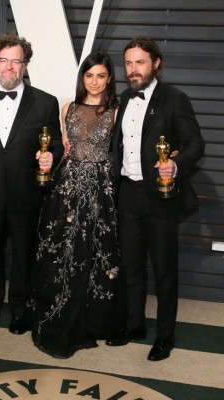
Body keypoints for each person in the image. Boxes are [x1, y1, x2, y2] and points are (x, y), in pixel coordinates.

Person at [105, 36, 205, 361]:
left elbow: (195, 144)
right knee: (131, 266)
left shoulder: (175, 99)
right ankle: (134, 324)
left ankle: (165, 337)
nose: (133, 69)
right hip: (128, 195)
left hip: (160, 198)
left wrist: (174, 164)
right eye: (129, 63)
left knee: (164, 270)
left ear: (156, 63)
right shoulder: (124, 95)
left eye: (140, 62)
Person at [0, 33, 63, 334]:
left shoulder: (44, 102)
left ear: (25, 65)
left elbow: (54, 141)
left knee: (23, 256)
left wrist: (51, 156)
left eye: (16, 60)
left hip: (26, 194)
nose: (9, 67)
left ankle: (20, 309)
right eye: (3, 60)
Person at [28, 51, 120, 358]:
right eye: (89, 75)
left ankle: (92, 321)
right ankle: (57, 308)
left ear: (109, 79)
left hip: (99, 190)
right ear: (83, 77)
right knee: (60, 250)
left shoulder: (116, 111)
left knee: (93, 253)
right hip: (66, 189)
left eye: (101, 76)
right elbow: (64, 147)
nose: (94, 82)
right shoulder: (67, 107)